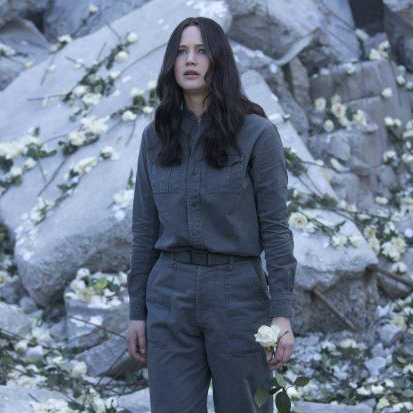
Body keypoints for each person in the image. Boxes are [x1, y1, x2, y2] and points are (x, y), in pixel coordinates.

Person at [126, 15, 298, 413]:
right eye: (182, 52)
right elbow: (143, 228)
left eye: (202, 51)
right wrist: (138, 311)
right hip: (169, 293)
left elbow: (276, 228)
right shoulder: (156, 137)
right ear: (171, 63)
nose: (191, 60)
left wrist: (282, 315)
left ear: (219, 60)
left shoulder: (257, 134)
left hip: (237, 293)